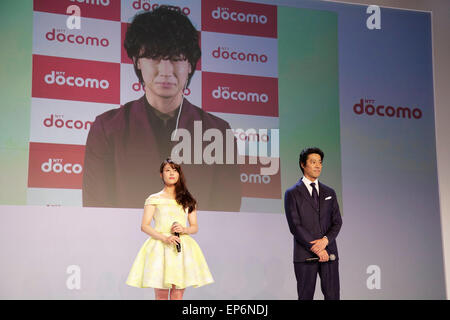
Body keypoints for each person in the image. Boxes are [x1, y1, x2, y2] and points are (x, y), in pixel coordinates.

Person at [82, 6, 242, 211]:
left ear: (191, 65)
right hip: (127, 242)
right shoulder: (107, 128)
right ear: (137, 62)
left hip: (197, 242)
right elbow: (97, 209)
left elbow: (226, 212)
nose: (166, 71)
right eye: (154, 57)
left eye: (176, 59)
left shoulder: (218, 131)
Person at [126, 158, 214, 299]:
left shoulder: (187, 199)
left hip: (181, 248)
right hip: (161, 246)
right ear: (161, 174)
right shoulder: (154, 198)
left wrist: (184, 229)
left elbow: (194, 227)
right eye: (167, 170)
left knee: (178, 293)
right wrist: (165, 238)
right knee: (161, 294)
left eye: (175, 170)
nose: (171, 173)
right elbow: (145, 225)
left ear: (179, 174)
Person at [284, 147, 342, 300]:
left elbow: (337, 222)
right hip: (305, 255)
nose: (318, 166)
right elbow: (295, 226)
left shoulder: (330, 192)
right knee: (305, 297)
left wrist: (325, 241)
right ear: (303, 164)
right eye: (313, 162)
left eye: (320, 162)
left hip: (329, 254)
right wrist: (316, 248)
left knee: (333, 296)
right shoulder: (292, 193)